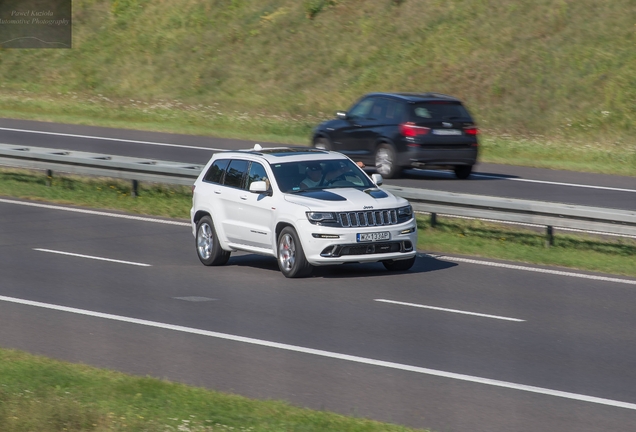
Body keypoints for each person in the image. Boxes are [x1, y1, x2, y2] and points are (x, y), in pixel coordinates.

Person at [300, 161, 365, 189]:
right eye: (315, 172)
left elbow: (341, 171)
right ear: (309, 173)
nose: (318, 173)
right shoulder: (305, 184)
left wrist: (355, 165)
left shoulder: (324, 177)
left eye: (319, 171)